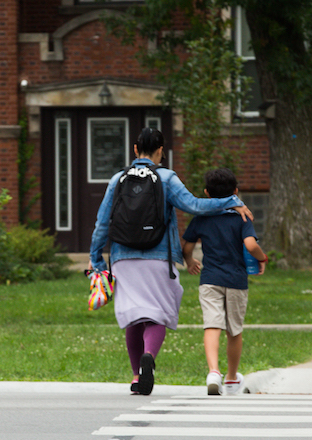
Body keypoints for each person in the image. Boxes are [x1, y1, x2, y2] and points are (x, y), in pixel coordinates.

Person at [89, 128, 252, 395]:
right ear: (160, 151)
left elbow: (102, 222)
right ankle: (149, 356)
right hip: (158, 257)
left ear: (135, 149)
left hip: (122, 257)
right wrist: (231, 201)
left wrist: (96, 259)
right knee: (156, 315)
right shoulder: (166, 178)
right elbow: (196, 206)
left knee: (134, 318)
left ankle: (134, 376)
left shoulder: (117, 179)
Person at [181, 168, 269, 396]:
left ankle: (213, 372)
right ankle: (231, 378)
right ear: (236, 192)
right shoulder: (241, 216)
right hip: (236, 280)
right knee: (234, 330)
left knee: (212, 325)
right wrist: (262, 257)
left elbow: (187, 246)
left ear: (206, 193)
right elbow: (250, 245)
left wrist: (190, 261)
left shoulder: (201, 217)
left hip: (210, 279)